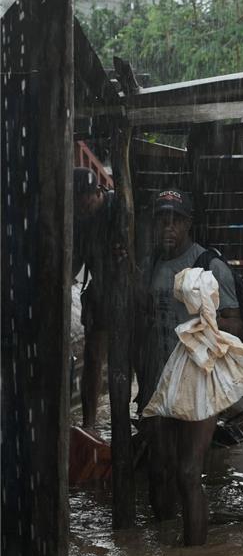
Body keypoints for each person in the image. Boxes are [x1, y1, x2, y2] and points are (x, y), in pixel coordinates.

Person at [136, 189, 243, 545]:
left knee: (187, 472)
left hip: (197, 382)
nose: (168, 227)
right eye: (162, 219)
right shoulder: (149, 263)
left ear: (188, 225)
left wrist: (199, 325)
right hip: (157, 382)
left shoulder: (209, 266)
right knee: (159, 469)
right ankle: (166, 552)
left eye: (175, 220)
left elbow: (234, 325)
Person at [72, 167, 121, 430]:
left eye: (87, 202)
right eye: (79, 205)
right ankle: (89, 424)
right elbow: (75, 260)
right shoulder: (79, 220)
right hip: (100, 290)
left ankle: (133, 419)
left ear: (98, 192)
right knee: (92, 357)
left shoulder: (119, 207)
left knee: (127, 358)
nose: (84, 208)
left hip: (128, 288)